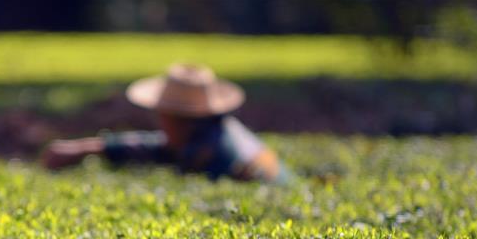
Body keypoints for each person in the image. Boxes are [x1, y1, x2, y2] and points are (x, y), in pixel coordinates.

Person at [41, 63, 291, 184]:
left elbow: (162, 153)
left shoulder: (212, 152)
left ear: (179, 119)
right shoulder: (211, 131)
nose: (158, 122)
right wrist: (91, 147)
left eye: (162, 115)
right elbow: (156, 146)